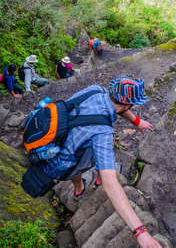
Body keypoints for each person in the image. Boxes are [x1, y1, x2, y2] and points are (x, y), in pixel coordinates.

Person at [40, 79, 162, 247]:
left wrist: (136, 121)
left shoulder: (95, 89)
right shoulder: (102, 133)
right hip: (69, 161)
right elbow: (111, 183)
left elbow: (117, 106)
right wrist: (140, 232)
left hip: (57, 145)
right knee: (102, 162)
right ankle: (98, 178)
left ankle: (78, 189)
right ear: (128, 105)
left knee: (77, 166)